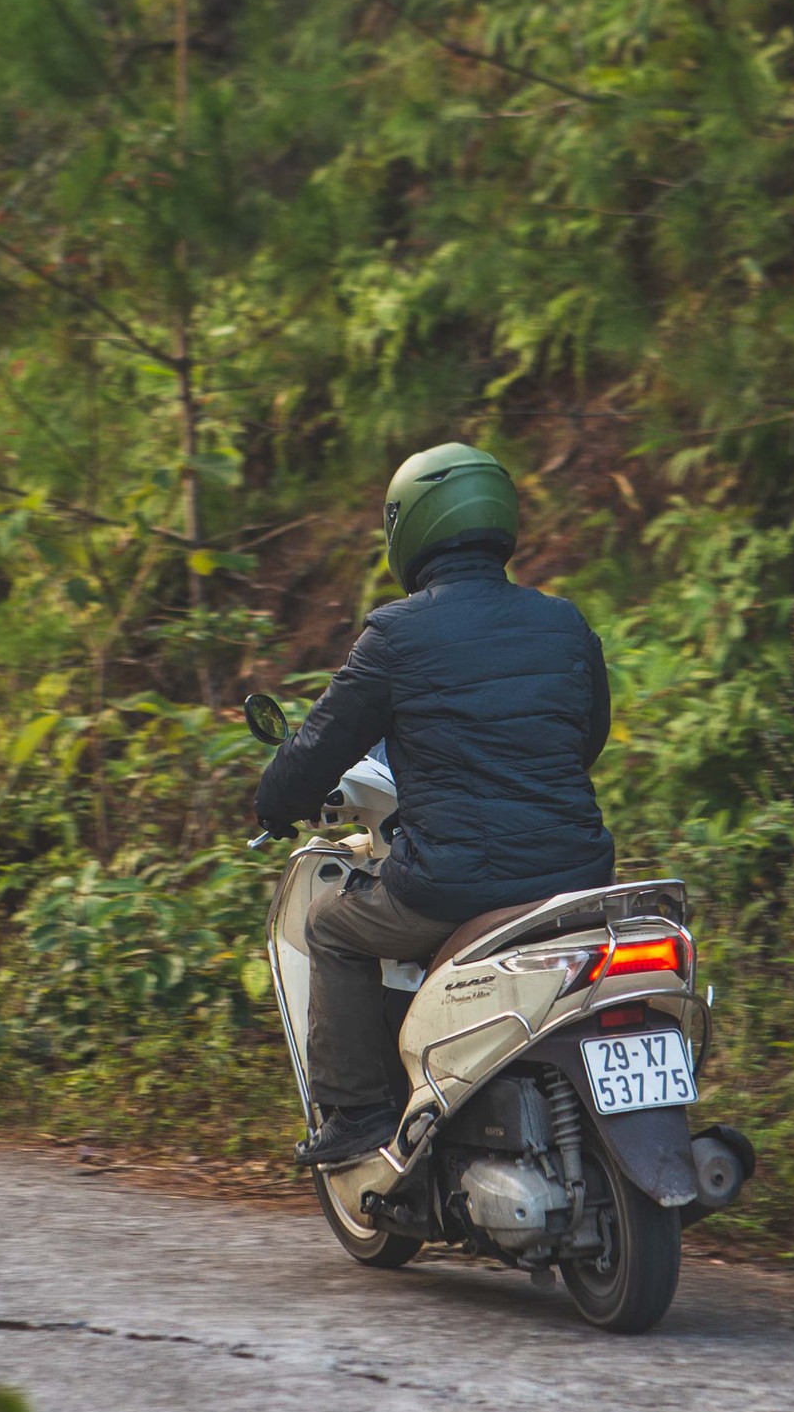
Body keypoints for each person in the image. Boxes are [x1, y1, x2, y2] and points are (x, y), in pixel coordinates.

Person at [254, 441, 615, 1167]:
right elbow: (587, 738)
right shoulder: (564, 623)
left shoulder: (396, 634)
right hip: (578, 877)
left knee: (332, 930)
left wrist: (273, 801)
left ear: (409, 528)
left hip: (455, 884)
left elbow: (323, 746)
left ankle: (358, 1115)